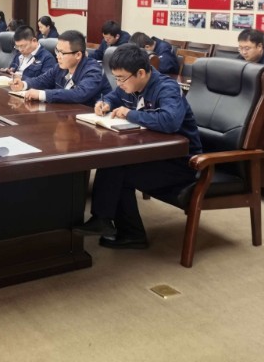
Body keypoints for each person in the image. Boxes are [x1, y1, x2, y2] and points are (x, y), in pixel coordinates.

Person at [74, 45, 203, 248]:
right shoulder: (131, 84)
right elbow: (114, 96)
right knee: (113, 163)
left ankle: (131, 234)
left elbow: (170, 121)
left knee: (120, 173)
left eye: (121, 78)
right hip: (153, 153)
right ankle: (103, 220)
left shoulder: (166, 88)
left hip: (181, 162)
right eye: (116, 78)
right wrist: (105, 103)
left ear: (141, 73)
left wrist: (130, 114)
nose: (119, 83)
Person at [10, 29, 111, 106]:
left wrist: (42, 94)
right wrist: (23, 84)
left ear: (78, 55)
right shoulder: (60, 67)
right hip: (66, 114)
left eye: (62, 53)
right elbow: (42, 80)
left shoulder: (93, 71)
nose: (58, 56)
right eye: (57, 51)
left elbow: (79, 94)